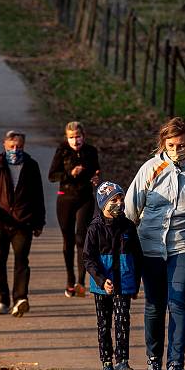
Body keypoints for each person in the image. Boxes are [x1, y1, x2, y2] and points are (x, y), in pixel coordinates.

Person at [124, 117, 185, 370]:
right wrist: (125, 251)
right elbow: (131, 210)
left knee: (178, 303)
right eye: (172, 144)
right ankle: (154, 361)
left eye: (182, 145)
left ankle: (176, 363)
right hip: (150, 245)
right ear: (163, 143)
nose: (177, 150)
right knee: (154, 304)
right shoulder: (150, 169)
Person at [0, 130, 46, 318]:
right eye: (12, 146)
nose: (15, 150)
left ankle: (20, 299)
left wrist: (39, 222)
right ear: (4, 145)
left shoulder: (31, 166)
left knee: (22, 261)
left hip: (23, 222)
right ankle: (2, 299)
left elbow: (38, 196)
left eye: (19, 147)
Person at [84, 181, 142, 370]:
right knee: (104, 323)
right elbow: (88, 258)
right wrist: (101, 280)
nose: (119, 203)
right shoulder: (95, 228)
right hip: (102, 285)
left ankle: (122, 361)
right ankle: (106, 362)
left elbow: (137, 256)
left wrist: (136, 282)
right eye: (113, 200)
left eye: (121, 199)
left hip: (124, 282)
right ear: (103, 203)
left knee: (122, 320)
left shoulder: (128, 226)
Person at [48, 121, 101, 298]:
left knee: (82, 238)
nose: (75, 140)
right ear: (67, 138)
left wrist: (95, 177)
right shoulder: (62, 150)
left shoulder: (91, 151)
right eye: (71, 137)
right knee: (68, 239)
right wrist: (70, 173)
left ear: (83, 136)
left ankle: (80, 281)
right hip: (66, 198)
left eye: (78, 136)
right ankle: (70, 280)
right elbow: (52, 175)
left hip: (85, 197)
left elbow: (96, 170)